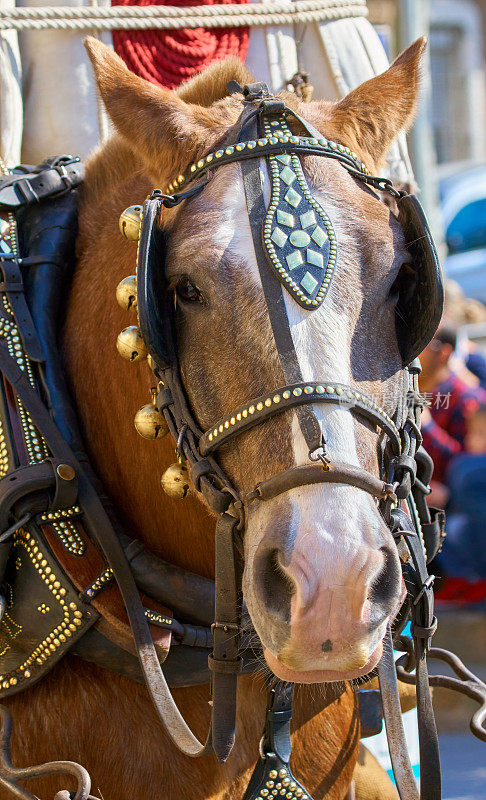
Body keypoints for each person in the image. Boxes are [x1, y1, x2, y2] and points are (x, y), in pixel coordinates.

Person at [419, 326, 486, 490]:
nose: (415, 350)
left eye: (424, 342)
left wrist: (427, 427)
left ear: (444, 353)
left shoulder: (467, 400)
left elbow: (467, 464)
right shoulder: (413, 389)